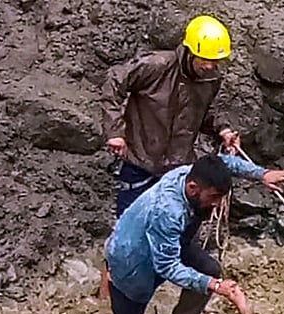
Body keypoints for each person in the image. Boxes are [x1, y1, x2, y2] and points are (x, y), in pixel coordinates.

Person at [93, 153, 284, 314]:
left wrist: (262, 174)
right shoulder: (168, 211)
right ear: (193, 188)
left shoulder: (192, 174)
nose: (217, 204)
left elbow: (224, 162)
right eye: (213, 197)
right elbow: (167, 266)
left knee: (208, 268)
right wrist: (215, 286)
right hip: (132, 262)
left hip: (167, 241)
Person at [99, 14, 241, 295]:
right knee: (126, 236)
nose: (211, 66)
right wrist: (115, 131)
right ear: (190, 50)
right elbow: (114, 81)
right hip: (140, 162)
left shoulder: (210, 80)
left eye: (216, 61)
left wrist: (223, 129)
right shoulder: (156, 66)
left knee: (178, 234)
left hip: (178, 171)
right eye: (206, 59)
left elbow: (204, 113)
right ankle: (109, 294)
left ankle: (163, 284)